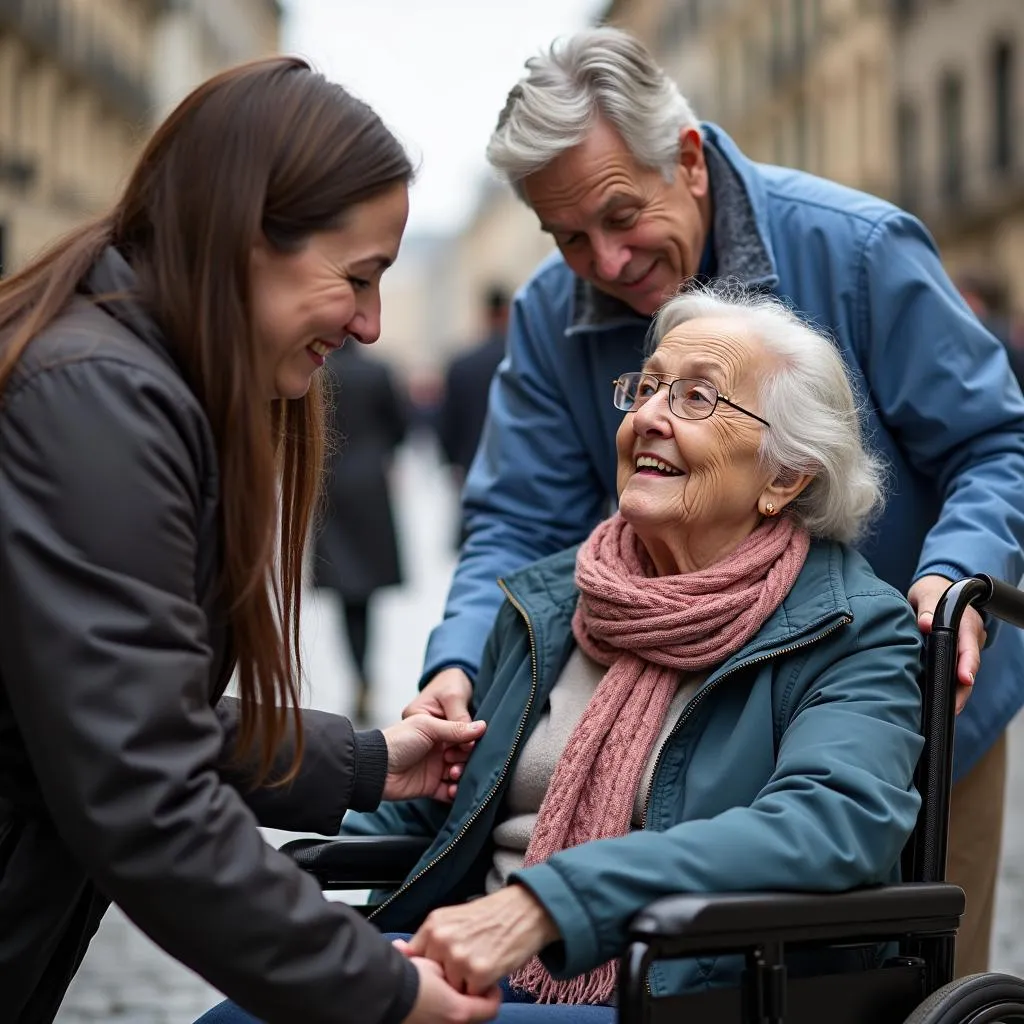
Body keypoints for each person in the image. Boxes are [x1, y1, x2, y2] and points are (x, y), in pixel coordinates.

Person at [405, 27, 1024, 979]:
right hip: (669, 709)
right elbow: (517, 520)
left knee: (911, 969)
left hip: (895, 685)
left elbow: (994, 438)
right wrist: (457, 661)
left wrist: (952, 573)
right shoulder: (545, 312)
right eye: (568, 236)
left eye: (620, 216)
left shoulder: (856, 251)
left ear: (687, 159)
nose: (603, 261)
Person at [204, 287, 925, 1023]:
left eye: (697, 398)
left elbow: (833, 823)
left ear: (785, 476)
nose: (647, 417)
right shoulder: (550, 604)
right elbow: (447, 809)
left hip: (683, 992)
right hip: (480, 965)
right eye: (646, 389)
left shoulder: (850, 628)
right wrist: (254, 882)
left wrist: (554, 901)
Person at [0, 58, 501, 1024]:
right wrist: (390, 994)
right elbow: (145, 791)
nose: (369, 323)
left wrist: (362, 764)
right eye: (357, 278)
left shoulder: (115, 374)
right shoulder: (96, 399)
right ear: (246, 237)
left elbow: (97, 710)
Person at [313, 342, 410, 724]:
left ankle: (358, 674)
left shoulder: (319, 373)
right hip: (370, 485)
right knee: (365, 591)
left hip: (329, 484)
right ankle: (364, 675)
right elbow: (401, 429)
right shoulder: (377, 371)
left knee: (345, 589)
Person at [437, 284, 511, 486]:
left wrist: (452, 461)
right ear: (508, 312)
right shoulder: (525, 360)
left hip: (473, 465)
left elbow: (448, 423)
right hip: (520, 467)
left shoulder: (462, 364)